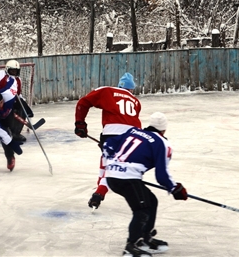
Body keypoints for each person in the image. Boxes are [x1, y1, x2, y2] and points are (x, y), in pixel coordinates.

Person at [103, 112, 188, 257]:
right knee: (142, 209)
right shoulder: (162, 142)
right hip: (127, 179)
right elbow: (161, 175)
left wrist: (114, 161)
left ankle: (145, 237)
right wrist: (175, 188)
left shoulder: (132, 131)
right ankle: (131, 246)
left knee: (151, 201)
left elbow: (107, 145)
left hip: (111, 176)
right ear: (164, 129)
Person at [74, 72, 142, 209]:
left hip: (111, 134)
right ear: (131, 89)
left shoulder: (107, 90)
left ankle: (99, 192)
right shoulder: (136, 101)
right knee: (112, 164)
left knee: (107, 162)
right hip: (134, 137)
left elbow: (83, 102)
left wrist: (80, 123)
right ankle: (100, 190)